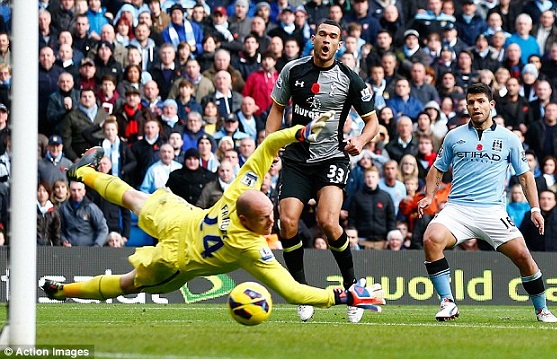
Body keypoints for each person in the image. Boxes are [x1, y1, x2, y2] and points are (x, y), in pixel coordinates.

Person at [39, 117, 386, 316]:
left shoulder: (239, 191)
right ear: (248, 221)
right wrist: (343, 296)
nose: (272, 222)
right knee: (129, 282)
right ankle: (64, 291)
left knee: (133, 198)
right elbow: (293, 292)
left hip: (183, 219)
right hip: (176, 259)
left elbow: (266, 147)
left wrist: (299, 133)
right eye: (266, 219)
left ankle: (81, 173)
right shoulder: (250, 247)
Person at [265, 19, 379, 323]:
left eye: (333, 37)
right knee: (287, 222)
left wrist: (360, 140)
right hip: (296, 158)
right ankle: (302, 291)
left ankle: (353, 288)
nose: (327, 40)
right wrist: (270, 144)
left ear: (339, 45)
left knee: (328, 222)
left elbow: (373, 122)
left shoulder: (349, 79)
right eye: (322, 35)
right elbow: (277, 109)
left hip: (332, 158)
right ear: (314, 38)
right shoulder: (293, 70)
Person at [417, 83, 557, 323]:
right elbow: (437, 169)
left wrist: (535, 208)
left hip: (492, 210)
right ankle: (448, 302)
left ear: (491, 105)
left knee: (523, 255)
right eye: (471, 102)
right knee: (431, 238)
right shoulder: (454, 136)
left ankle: (542, 309)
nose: (475, 106)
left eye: (480, 101)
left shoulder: (509, 138)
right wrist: (430, 196)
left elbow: (525, 177)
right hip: (457, 208)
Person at [60, 181, 109, 247]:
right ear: (69, 191)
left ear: (84, 192)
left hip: (89, 250)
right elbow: (59, 229)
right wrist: (64, 241)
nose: (77, 193)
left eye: (79, 190)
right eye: (73, 190)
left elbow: (103, 228)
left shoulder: (92, 208)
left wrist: (97, 245)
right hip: (69, 249)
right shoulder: (63, 208)